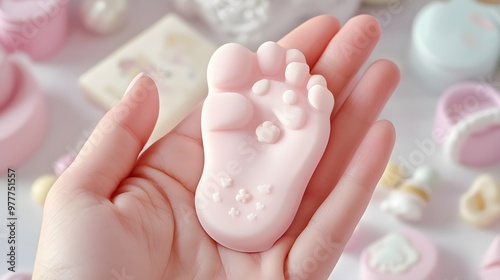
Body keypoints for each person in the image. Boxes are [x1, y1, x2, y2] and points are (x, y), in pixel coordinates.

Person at [33, 14, 400, 280]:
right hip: (234, 213)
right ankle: (270, 140)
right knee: (274, 168)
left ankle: (263, 139)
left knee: (263, 166)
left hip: (220, 211)